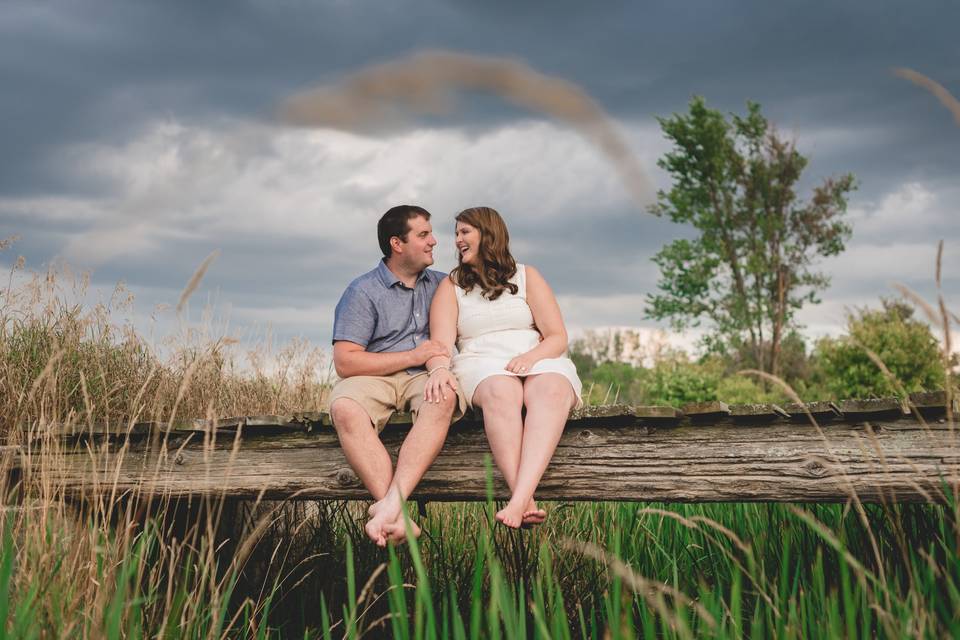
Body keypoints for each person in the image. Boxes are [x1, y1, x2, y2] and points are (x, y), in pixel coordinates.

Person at [424, 206, 582, 528]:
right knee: (501, 390)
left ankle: (519, 500)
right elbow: (440, 345)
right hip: (480, 363)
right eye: (456, 233)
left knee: (552, 388)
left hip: (535, 357)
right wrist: (439, 369)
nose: (457, 240)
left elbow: (557, 337)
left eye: (464, 232)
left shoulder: (527, 276)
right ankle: (524, 499)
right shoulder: (451, 286)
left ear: (488, 233)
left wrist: (532, 358)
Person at [329, 205, 466, 547]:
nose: (434, 241)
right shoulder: (362, 291)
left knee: (444, 395)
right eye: (423, 235)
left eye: (431, 233)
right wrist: (412, 355)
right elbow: (345, 362)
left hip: (427, 375)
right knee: (345, 406)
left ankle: (390, 507)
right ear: (397, 244)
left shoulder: (444, 285)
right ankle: (399, 514)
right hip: (379, 376)